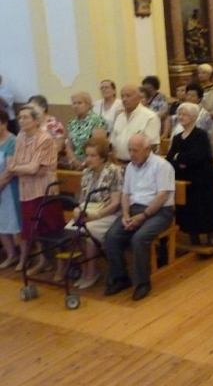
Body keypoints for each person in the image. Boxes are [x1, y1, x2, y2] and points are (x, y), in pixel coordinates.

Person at [104, 134, 175, 301]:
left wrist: (143, 216)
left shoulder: (162, 166)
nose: (131, 154)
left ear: (148, 150)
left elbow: (162, 196)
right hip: (135, 209)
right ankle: (121, 278)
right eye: (129, 150)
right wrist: (126, 214)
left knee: (139, 238)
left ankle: (143, 282)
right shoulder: (130, 167)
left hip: (160, 211)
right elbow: (126, 194)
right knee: (111, 236)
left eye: (135, 150)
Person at [10, 104, 64, 273]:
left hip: (44, 190)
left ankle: (62, 266)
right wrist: (20, 167)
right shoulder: (20, 137)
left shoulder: (45, 139)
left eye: (25, 117)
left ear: (35, 120)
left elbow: (32, 168)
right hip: (26, 190)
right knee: (34, 229)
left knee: (52, 228)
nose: (21, 121)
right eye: (19, 117)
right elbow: (14, 163)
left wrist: (18, 168)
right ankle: (43, 261)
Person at [63, 137, 122, 288]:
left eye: (93, 155)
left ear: (102, 156)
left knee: (88, 233)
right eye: (87, 155)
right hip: (88, 213)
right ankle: (83, 270)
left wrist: (96, 216)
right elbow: (82, 199)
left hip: (108, 214)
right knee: (70, 231)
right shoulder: (87, 172)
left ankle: (92, 272)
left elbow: (116, 203)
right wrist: (77, 210)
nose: (88, 159)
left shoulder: (114, 171)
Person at [167, 102, 213, 248]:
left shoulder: (201, 135)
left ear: (193, 117)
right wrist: (180, 159)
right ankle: (194, 236)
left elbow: (196, 157)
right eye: (179, 114)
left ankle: (211, 236)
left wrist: (179, 158)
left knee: (206, 207)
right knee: (188, 208)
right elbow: (170, 158)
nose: (181, 117)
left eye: (184, 114)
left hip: (204, 179)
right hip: (186, 179)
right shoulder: (178, 137)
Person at [111, 85, 161, 164]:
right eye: (122, 96)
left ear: (139, 97)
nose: (124, 99)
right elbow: (113, 143)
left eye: (128, 96)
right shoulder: (119, 117)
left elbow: (152, 145)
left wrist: (134, 165)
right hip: (119, 163)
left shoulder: (150, 117)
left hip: (141, 165)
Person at [65, 92, 108, 170]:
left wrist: (84, 163)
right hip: (75, 164)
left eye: (80, 103)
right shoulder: (72, 123)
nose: (76, 106)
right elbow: (69, 146)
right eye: (74, 103)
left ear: (88, 105)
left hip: (93, 164)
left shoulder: (96, 120)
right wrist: (74, 161)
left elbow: (99, 147)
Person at [0, 109, 20, 268]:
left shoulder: (12, 141)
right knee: (1, 224)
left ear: (4, 123)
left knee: (13, 223)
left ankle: (23, 256)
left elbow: (10, 169)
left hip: (8, 188)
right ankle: (10, 254)